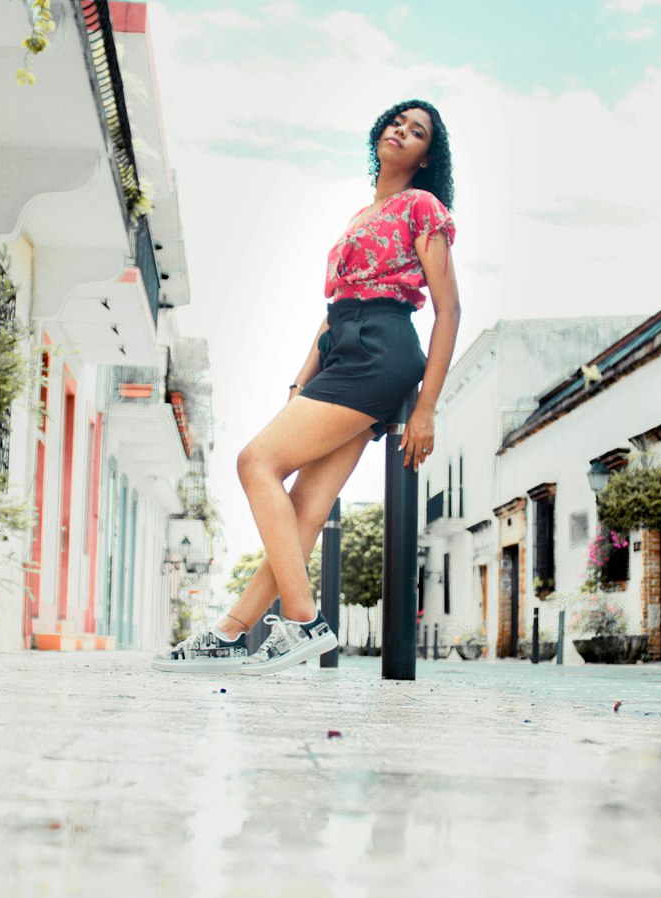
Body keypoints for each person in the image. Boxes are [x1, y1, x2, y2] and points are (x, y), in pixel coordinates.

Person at [154, 99, 461, 675]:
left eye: (417, 131)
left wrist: (426, 410)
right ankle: (230, 632)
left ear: (426, 156)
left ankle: (301, 620)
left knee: (255, 462)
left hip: (382, 350)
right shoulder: (361, 215)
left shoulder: (423, 208)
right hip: (344, 349)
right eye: (397, 121)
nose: (401, 132)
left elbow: (449, 311)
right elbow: (333, 312)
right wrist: (301, 381)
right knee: (306, 509)